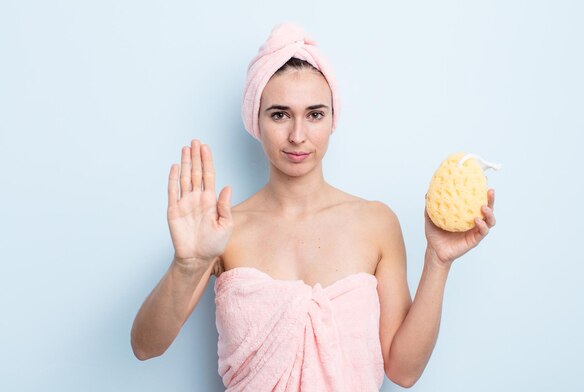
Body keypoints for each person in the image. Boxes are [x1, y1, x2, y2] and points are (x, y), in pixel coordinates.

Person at [130, 22, 496, 391]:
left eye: (315, 114)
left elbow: (403, 371)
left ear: (333, 119)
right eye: (279, 114)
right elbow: (145, 346)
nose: (298, 135)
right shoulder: (223, 228)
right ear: (255, 121)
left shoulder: (376, 223)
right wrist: (187, 265)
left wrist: (438, 261)